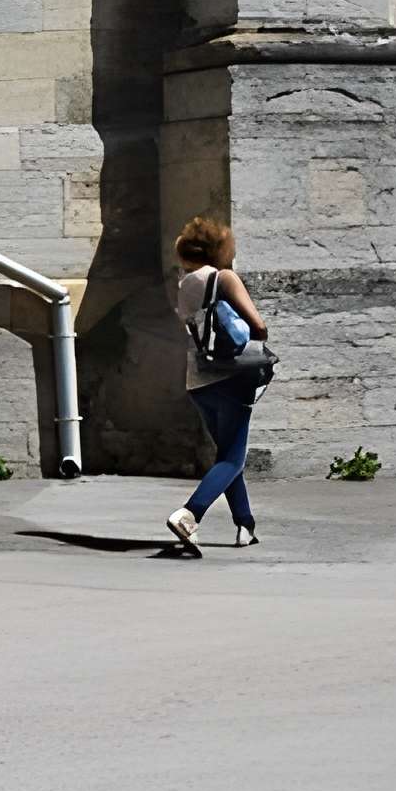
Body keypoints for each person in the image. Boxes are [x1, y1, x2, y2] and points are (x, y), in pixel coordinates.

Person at [167, 215, 267, 553]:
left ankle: (245, 524)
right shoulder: (223, 277)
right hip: (231, 377)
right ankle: (189, 514)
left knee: (227, 454)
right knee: (233, 460)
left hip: (198, 382)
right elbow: (259, 326)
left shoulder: (185, 285)